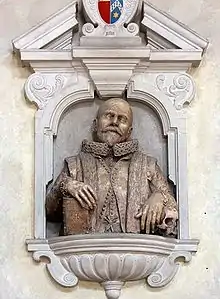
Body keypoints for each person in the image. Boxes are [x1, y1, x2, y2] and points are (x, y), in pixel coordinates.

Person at [46, 98, 178, 235]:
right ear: (95, 125)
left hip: (137, 249)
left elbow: (172, 209)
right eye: (109, 116)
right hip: (84, 249)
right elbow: (50, 213)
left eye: (122, 119)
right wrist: (65, 186)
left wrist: (160, 197)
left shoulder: (147, 165)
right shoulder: (75, 164)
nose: (114, 122)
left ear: (129, 131)